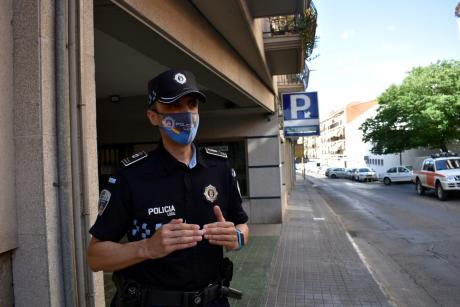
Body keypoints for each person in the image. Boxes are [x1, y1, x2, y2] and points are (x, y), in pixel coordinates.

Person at [87, 69, 249, 307]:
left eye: (192, 104)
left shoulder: (220, 168)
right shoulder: (131, 176)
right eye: (174, 106)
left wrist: (237, 238)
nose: (186, 114)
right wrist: (147, 248)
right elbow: (95, 257)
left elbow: (242, 226)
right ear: (153, 116)